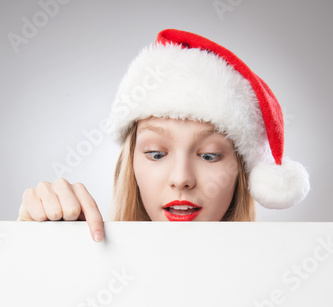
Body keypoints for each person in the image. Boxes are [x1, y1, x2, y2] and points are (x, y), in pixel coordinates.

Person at [17, 28, 310, 242]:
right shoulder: (84, 270)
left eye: (209, 155)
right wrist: (33, 251)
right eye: (156, 154)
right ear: (130, 165)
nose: (181, 178)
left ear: (242, 174)